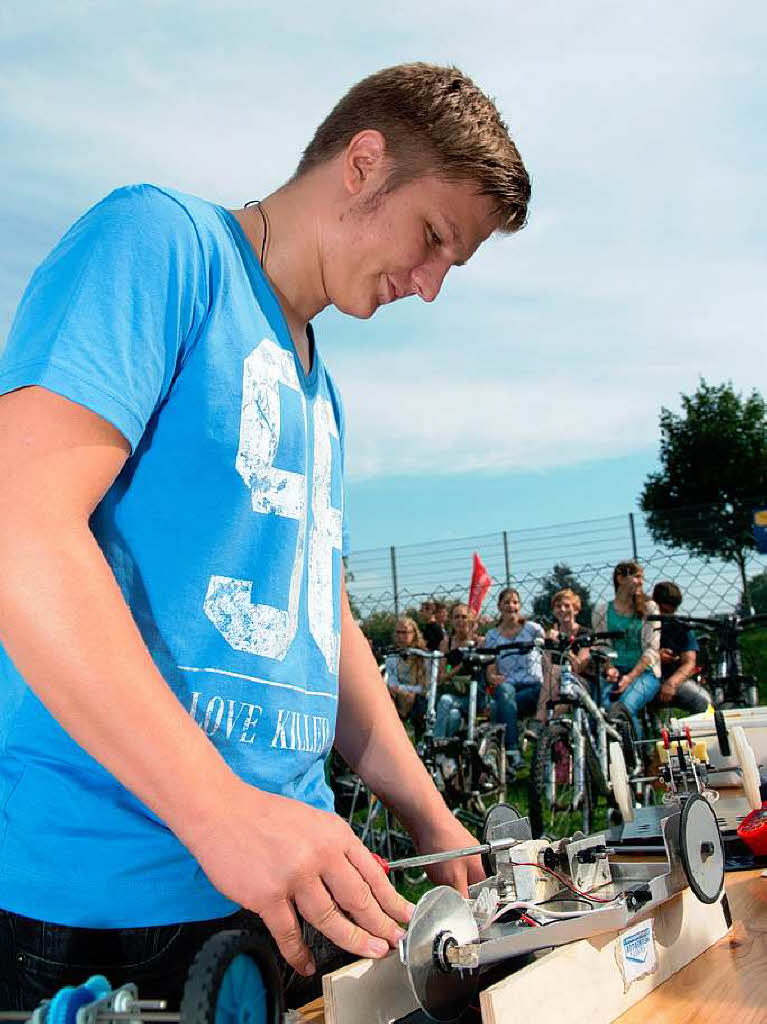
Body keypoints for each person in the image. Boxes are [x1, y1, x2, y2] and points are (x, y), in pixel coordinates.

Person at [0, 62, 530, 1009]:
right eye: (434, 238)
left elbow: (319, 621)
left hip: (289, 881)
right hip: (107, 901)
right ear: (364, 165)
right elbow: (19, 522)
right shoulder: (161, 242)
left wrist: (429, 813)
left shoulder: (320, 384)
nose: (431, 284)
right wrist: (221, 814)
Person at [591, 561, 661, 728]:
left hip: (644, 673)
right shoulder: (601, 610)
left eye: (642, 577)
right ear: (621, 579)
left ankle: (634, 752)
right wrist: (609, 667)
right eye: (636, 577)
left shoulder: (649, 608)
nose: (641, 582)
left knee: (624, 707)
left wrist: (630, 678)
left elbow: (652, 649)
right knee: (599, 711)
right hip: (613, 672)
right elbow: (601, 644)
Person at [484, 589, 544, 769]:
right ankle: (513, 752)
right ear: (499, 606)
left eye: (515, 602)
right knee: (504, 692)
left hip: (534, 687)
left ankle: (506, 756)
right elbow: (491, 667)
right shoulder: (492, 636)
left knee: (499, 706)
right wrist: (492, 676)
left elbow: (548, 653)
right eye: (507, 602)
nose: (512, 606)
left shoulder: (533, 629)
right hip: (508, 686)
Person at [651, 581, 712, 714]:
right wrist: (655, 657)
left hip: (673, 679)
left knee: (704, 703)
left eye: (671, 612)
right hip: (645, 679)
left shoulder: (681, 626)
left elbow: (689, 662)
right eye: (663, 611)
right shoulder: (641, 623)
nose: (667, 616)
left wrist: (672, 683)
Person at [534, 588, 591, 724]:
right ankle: (552, 731)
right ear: (554, 611)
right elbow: (545, 669)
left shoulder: (585, 634)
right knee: (553, 673)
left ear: (576, 610)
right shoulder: (551, 634)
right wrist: (548, 646)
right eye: (558, 606)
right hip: (554, 685)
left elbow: (579, 667)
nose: (562, 609)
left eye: (567, 605)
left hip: (580, 682)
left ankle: (539, 722)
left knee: (555, 671)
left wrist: (563, 646)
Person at [433, 602, 482, 739]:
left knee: (445, 701)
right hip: (455, 693)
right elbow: (441, 676)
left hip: (475, 696)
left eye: (464, 617)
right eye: (456, 617)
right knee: (453, 716)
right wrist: (460, 666)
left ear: (471, 620)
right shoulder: (446, 643)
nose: (460, 621)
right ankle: (445, 749)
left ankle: (438, 745)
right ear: (451, 620)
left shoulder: (479, 642)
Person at [384, 617, 427, 721]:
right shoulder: (392, 656)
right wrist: (400, 690)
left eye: (405, 632)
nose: (400, 636)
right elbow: (392, 683)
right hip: (397, 693)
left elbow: (424, 688)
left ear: (414, 634)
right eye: (398, 632)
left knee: (410, 698)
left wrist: (402, 689)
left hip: (418, 695)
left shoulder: (423, 655)